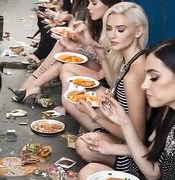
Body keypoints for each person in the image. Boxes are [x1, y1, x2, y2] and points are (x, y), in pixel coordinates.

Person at [80, 38, 175, 179]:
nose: (144, 85)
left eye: (154, 77)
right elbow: (152, 171)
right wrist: (123, 121)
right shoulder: (172, 115)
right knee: (89, 172)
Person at [68, 2, 148, 178]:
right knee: (85, 136)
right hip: (121, 131)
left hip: (135, 154)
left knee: (83, 143)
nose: (112, 35)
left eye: (120, 30)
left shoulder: (135, 73)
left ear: (139, 31)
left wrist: (94, 115)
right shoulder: (131, 59)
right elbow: (117, 88)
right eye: (109, 28)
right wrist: (103, 58)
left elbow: (137, 136)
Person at [9, 0, 121, 104]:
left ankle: (29, 87)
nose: (89, 6)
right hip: (100, 66)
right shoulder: (98, 21)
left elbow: (105, 58)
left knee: (64, 55)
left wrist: (82, 43)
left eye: (94, 3)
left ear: (109, 5)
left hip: (106, 74)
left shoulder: (114, 26)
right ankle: (30, 87)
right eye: (89, 2)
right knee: (62, 48)